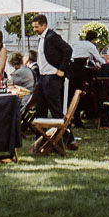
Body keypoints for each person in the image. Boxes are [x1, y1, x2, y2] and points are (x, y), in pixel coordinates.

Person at [31, 15, 77, 149]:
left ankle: (70, 140)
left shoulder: (52, 37)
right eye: (33, 27)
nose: (34, 29)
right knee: (40, 110)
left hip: (51, 78)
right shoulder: (42, 38)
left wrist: (62, 69)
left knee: (56, 111)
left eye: (36, 27)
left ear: (44, 25)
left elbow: (68, 49)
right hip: (43, 77)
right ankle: (40, 140)